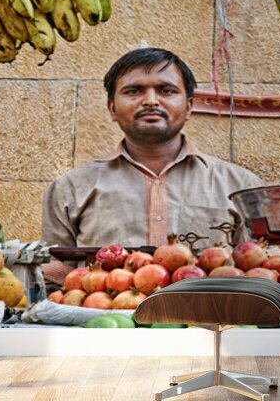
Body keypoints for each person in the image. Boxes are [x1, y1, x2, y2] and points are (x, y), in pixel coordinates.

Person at [41, 48, 264, 283]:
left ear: (189, 107)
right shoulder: (70, 189)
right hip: (107, 318)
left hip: (212, 316)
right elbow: (54, 275)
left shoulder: (241, 186)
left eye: (166, 90)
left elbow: (264, 268)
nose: (150, 101)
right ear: (112, 109)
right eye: (133, 91)